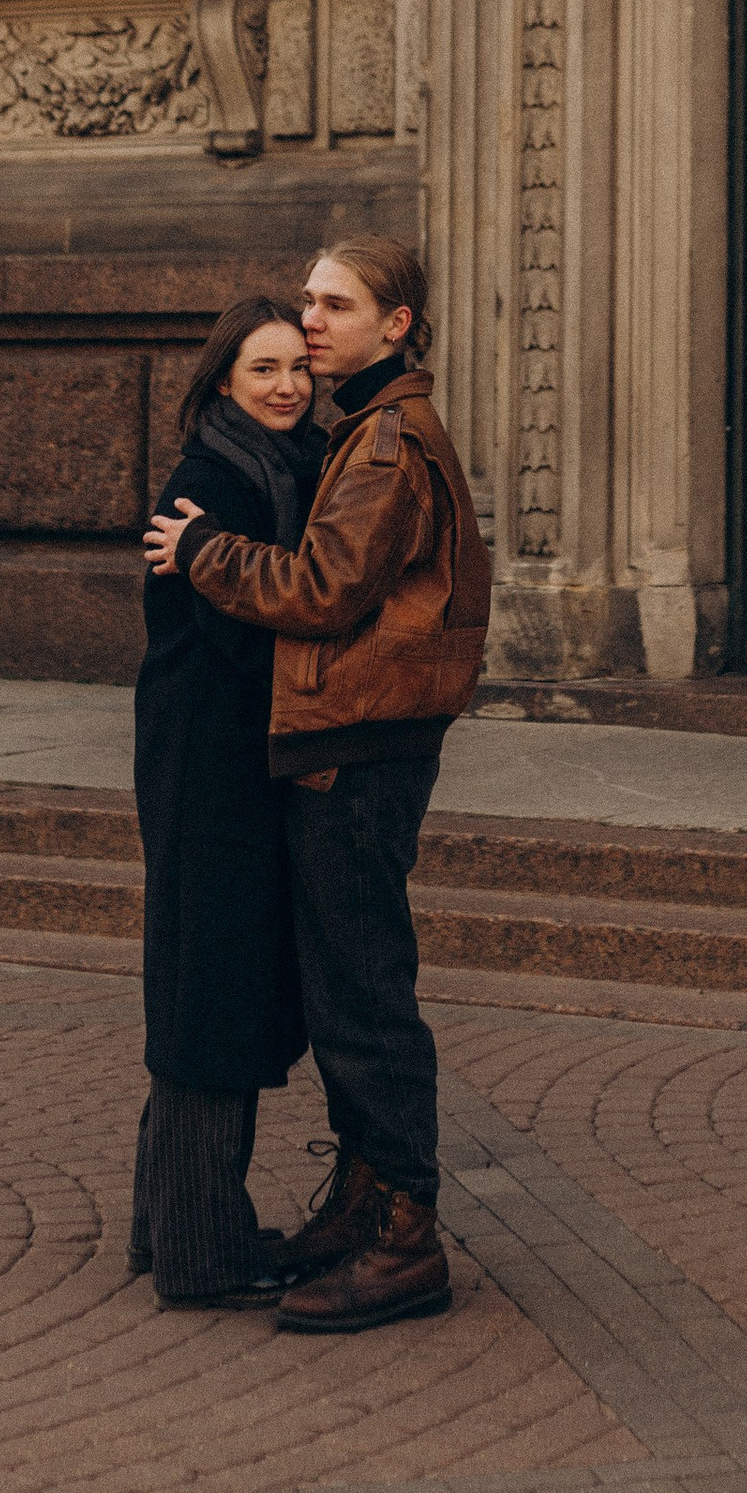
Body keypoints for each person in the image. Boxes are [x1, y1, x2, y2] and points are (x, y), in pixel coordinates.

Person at [143, 236, 489, 1335]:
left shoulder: (382, 442)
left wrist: (201, 552)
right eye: (306, 306)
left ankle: (401, 1240)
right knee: (347, 990)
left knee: (364, 997)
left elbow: (326, 589)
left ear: (397, 326)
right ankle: (359, 1205)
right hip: (349, 740)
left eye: (335, 308)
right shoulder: (356, 433)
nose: (312, 329)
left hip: (361, 747)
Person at [127, 291, 328, 1310]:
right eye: (264, 369)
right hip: (214, 765)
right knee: (214, 991)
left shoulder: (282, 466)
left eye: (298, 366)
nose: (288, 385)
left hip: (222, 757)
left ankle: (162, 1221)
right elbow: (248, 640)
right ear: (221, 384)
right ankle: (201, 1253)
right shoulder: (217, 480)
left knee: (203, 978)